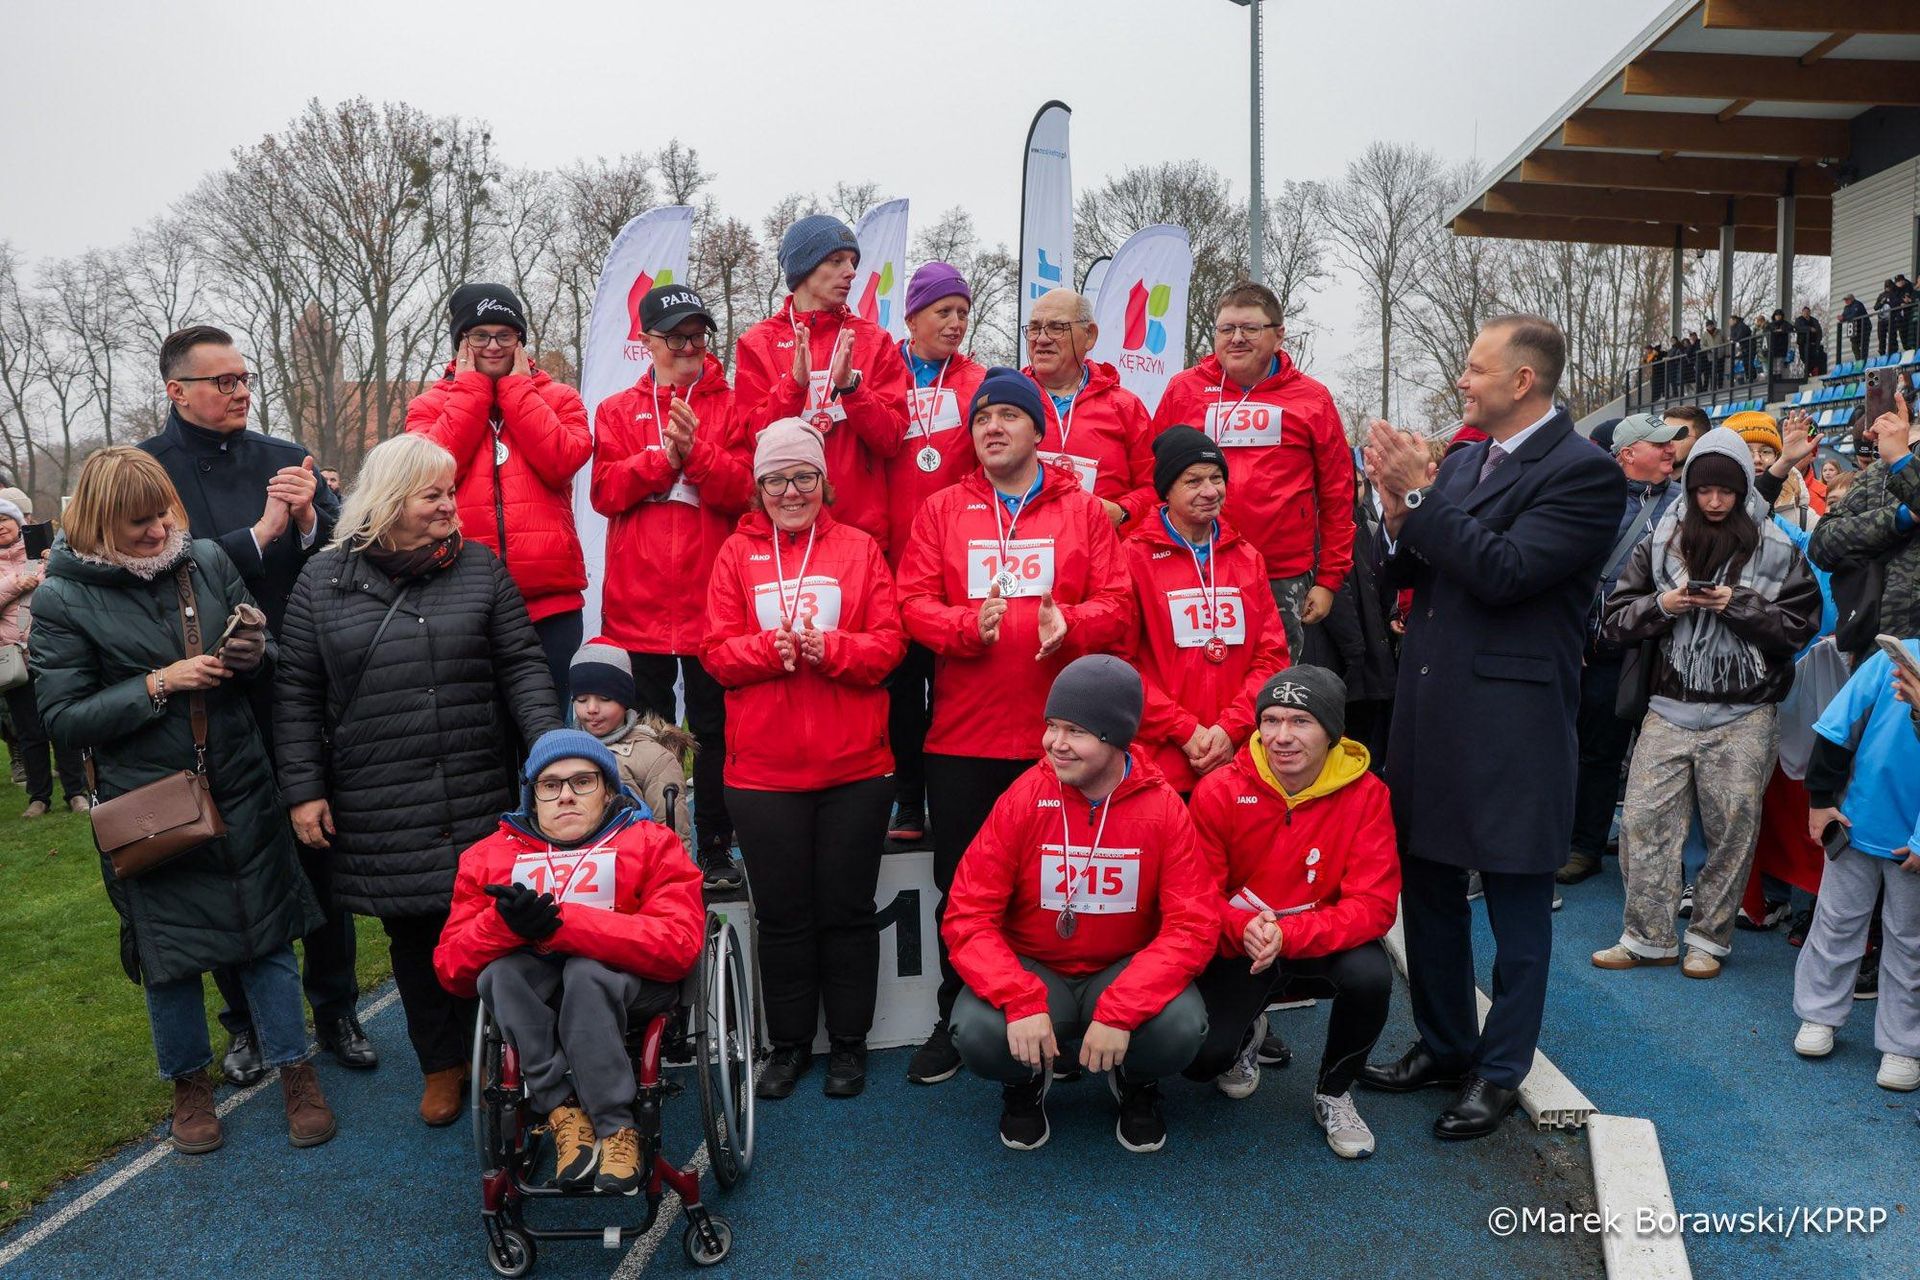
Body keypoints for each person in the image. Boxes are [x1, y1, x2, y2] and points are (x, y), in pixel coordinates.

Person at [1358, 315, 1624, 1139]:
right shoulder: (1468, 459)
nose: (1462, 381)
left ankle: (1500, 1070)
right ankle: (1445, 1045)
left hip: (1514, 721)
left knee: (1515, 903)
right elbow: (1410, 568)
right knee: (1428, 888)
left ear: (1522, 381)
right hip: (1431, 709)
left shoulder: (1585, 473)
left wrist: (1418, 497)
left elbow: (1505, 572)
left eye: (1475, 369)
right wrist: (1395, 510)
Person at [30, 446, 335, 1153]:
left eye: (162, 514)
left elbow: (268, 654)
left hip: (240, 780)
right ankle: (189, 1087)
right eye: (138, 522)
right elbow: (63, 718)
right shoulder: (61, 596)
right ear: (100, 522)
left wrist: (255, 655)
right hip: (148, 804)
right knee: (169, 959)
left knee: (268, 937)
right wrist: (158, 684)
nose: (157, 531)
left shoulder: (205, 559)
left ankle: (297, 1072)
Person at [275, 433, 561, 1126]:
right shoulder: (322, 580)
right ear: (390, 500)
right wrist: (305, 790)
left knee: (494, 926)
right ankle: (442, 1065)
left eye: (450, 492)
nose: (449, 506)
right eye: (433, 494)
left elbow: (522, 666)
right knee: (414, 938)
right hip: (380, 795)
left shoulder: (481, 569)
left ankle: (504, 1057)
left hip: (476, 782)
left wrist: (551, 752)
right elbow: (297, 693)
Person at [136, 324, 363, 1085]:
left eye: (244, 378)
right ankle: (248, 1025)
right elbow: (157, 570)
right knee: (222, 859)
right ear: (177, 390)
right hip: (206, 693)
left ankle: (336, 1007)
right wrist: (261, 533)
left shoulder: (283, 454)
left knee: (318, 845)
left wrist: (310, 518)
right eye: (222, 380)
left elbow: (343, 550)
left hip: (296, 682)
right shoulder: (148, 470)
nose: (239, 391)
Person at [895, 368, 1132, 1086]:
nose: (992, 428)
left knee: (1058, 885)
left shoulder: (1083, 511)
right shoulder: (941, 509)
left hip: (1063, 743)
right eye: (981, 418)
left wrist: (1072, 625)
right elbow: (912, 604)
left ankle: (1065, 1020)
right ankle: (956, 1016)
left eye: (1007, 415)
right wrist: (965, 628)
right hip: (964, 739)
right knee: (962, 889)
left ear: (1038, 429)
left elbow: (1119, 605)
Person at [701, 419, 905, 1101]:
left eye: (803, 477)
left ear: (824, 481)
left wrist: (833, 650)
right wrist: (770, 651)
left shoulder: (860, 549)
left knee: (847, 911)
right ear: (758, 488)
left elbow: (889, 646)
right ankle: (789, 1044)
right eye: (776, 480)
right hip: (763, 774)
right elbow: (716, 653)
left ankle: (848, 1043)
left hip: (855, 770)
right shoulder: (736, 554)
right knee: (783, 916)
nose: (791, 492)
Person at [943, 656, 1213, 1153]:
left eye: (1076, 731)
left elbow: (1192, 925)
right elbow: (969, 914)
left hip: (1120, 968)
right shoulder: (1024, 798)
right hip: (1037, 968)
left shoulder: (1163, 808)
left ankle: (1136, 1082)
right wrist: (1019, 998)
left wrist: (1122, 1009)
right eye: (1052, 726)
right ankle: (1025, 1084)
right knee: (977, 1032)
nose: (1055, 743)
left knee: (1181, 1028)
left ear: (1116, 738)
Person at [434, 729, 705, 1192]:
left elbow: (679, 944)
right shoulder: (488, 857)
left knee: (585, 972)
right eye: (550, 784)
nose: (565, 796)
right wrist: (502, 926)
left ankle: (616, 1126)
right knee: (500, 974)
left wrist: (564, 924)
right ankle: (562, 1109)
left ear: (608, 791)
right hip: (538, 989)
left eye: (582, 782)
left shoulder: (652, 843)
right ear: (532, 796)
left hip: (632, 987)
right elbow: (451, 970)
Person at [1593, 427, 1821, 977]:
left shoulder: (1780, 546)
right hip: (1668, 705)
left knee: (1732, 831)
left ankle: (1708, 939)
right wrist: (1665, 605)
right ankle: (1646, 936)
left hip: (1746, 711)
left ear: (1743, 490)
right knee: (1643, 823)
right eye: (1703, 490)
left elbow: (1799, 626)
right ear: (1690, 489)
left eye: (1726, 491)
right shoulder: (1658, 541)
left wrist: (1737, 605)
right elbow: (1614, 621)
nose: (1714, 501)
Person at [1184, 667, 1396, 1158]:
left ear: (1331, 732)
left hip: (1317, 939)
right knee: (1199, 1061)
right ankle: (1245, 1034)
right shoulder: (1219, 789)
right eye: (1271, 720)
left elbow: (1374, 904)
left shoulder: (1367, 794)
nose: (1282, 736)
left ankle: (1334, 1092)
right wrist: (1242, 928)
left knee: (1370, 975)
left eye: (1301, 721)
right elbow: (1195, 896)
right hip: (1242, 943)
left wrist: (1289, 933)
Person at [590, 283, 752, 888]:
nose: (690, 347)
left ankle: (715, 846)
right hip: (641, 605)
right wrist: (662, 459)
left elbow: (746, 491)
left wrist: (698, 453)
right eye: (677, 337)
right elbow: (605, 492)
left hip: (715, 603)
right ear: (648, 342)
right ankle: (653, 846)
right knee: (647, 735)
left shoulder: (733, 406)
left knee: (715, 732)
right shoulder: (615, 410)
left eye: (698, 336)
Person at [406, 282, 591, 707]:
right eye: (480, 335)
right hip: (462, 597)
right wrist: (472, 391)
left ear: (520, 341)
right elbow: (429, 473)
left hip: (550, 602)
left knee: (547, 720)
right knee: (477, 724)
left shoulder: (559, 398)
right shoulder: (428, 406)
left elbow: (561, 461)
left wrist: (517, 391)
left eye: (504, 335)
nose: (493, 346)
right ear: (461, 342)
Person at [1153, 281, 1355, 660]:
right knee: (1196, 673)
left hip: (1280, 575)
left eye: (1250, 328)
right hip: (1194, 565)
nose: (1236, 338)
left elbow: (1338, 494)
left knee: (1271, 680)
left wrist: (1329, 580)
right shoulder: (1183, 390)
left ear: (1278, 336)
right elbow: (1153, 480)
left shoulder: (1312, 399)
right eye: (1226, 329)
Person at [1120, 425, 1289, 795]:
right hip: (1163, 761)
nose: (1210, 491)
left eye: (1216, 478)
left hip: (1238, 757)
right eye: (1193, 481)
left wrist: (1230, 728)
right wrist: (1185, 730)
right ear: (1166, 490)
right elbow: (1122, 664)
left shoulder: (1247, 558)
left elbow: (1272, 656)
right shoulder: (1133, 558)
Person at [730, 214, 912, 554]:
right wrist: (793, 388)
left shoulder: (873, 340)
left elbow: (891, 439)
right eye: (837, 260)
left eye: (853, 261)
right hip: (784, 537)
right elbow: (754, 439)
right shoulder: (757, 343)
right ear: (804, 267)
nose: (851, 271)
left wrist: (853, 390)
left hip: (860, 535)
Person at [883, 263, 988, 845]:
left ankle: (950, 795)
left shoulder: (978, 381)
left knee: (951, 689)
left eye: (963, 313)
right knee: (900, 691)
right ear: (912, 318)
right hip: (890, 556)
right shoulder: (883, 372)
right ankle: (906, 797)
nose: (956, 323)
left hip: (956, 561)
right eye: (943, 311)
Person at [1560, 413, 1683, 886]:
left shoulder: (1686, 502)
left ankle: (1652, 850)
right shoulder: (1596, 499)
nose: (1671, 449)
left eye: (1672, 442)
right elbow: (1568, 572)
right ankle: (1583, 846)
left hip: (1666, 648)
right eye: (1659, 443)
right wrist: (1573, 634)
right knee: (1597, 752)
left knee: (1662, 755)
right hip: (1604, 650)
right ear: (1628, 453)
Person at [1792, 641, 1920, 1092]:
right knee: (1836, 922)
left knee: (1911, 942)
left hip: (1913, 843)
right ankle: (1818, 1014)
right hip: (1859, 822)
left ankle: (1904, 1043)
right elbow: (1836, 727)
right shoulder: (1893, 660)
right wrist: (1821, 800)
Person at [1021, 288, 1157, 529]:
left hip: (1103, 545)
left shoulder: (1126, 407)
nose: (1041, 339)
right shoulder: (1006, 404)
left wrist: (1123, 512)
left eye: (1056, 327)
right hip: (1025, 544)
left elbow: (1154, 486)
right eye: (1034, 328)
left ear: (1090, 335)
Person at [1808, 390, 1920, 646]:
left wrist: (1903, 462)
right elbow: (1821, 544)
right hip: (1875, 648)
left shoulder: (1899, 462)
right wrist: (1899, 518)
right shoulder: (1877, 474)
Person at [568, 638, 695, 855]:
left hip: (634, 866)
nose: (591, 708)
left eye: (604, 698)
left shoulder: (655, 758)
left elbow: (673, 840)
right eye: (581, 699)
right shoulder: (560, 754)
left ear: (625, 699)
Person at [1, 496, 86, 817]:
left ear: (18, 522)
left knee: (63, 723)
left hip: (53, 653)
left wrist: (55, 563)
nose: (0, 527)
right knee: (29, 732)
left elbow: (69, 590)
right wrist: (14, 584)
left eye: (4, 519)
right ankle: (39, 797)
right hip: (14, 660)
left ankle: (76, 791)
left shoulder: (44, 553)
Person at [1794, 305, 1826, 377]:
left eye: (1807, 312)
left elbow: (1819, 331)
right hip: (1803, 344)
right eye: (1805, 312)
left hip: (1813, 344)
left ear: (1810, 312)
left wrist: (1818, 341)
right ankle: (1808, 372)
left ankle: (1809, 373)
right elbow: (1797, 327)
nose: (1806, 313)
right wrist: (1809, 329)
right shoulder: (1799, 320)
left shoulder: (1814, 321)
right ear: (1802, 312)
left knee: (1813, 359)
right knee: (1804, 358)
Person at [1840, 294, 1869, 367]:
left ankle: (1864, 361)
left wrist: (1844, 318)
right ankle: (1859, 361)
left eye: (1847, 300)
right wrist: (1841, 318)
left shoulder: (1858, 304)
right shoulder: (1846, 307)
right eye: (1845, 300)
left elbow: (1854, 315)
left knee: (1863, 345)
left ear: (1851, 299)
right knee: (1854, 346)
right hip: (1853, 328)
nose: (1846, 301)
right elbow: (1844, 316)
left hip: (1863, 327)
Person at [1767, 309, 1793, 377]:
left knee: (1780, 363)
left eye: (1779, 315)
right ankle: (1774, 376)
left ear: (1782, 316)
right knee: (1773, 363)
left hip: (1782, 346)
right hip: (1773, 346)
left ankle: (1779, 376)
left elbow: (1791, 328)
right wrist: (1774, 331)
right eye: (1776, 315)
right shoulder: (1771, 324)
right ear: (1774, 316)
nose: (1778, 317)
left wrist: (1782, 330)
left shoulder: (1785, 323)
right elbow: (1766, 331)